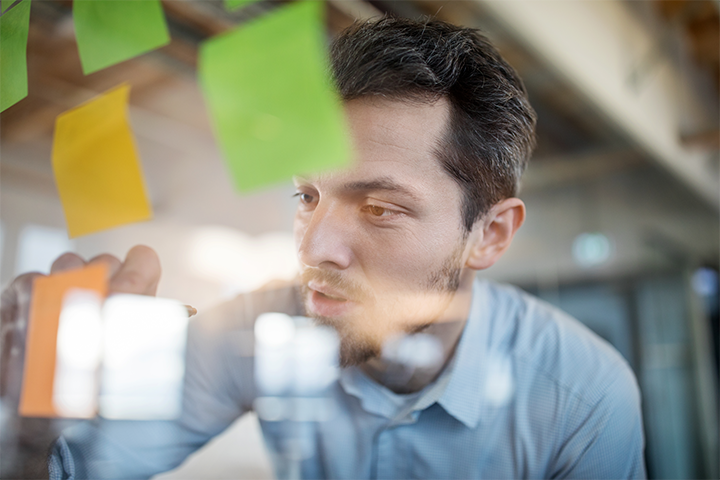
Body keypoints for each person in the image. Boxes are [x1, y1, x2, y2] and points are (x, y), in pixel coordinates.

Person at [0, 16, 645, 480]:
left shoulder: (580, 397)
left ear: (489, 234)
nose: (316, 247)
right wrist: (26, 430)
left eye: (379, 208)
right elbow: (67, 470)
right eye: (307, 197)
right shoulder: (257, 330)